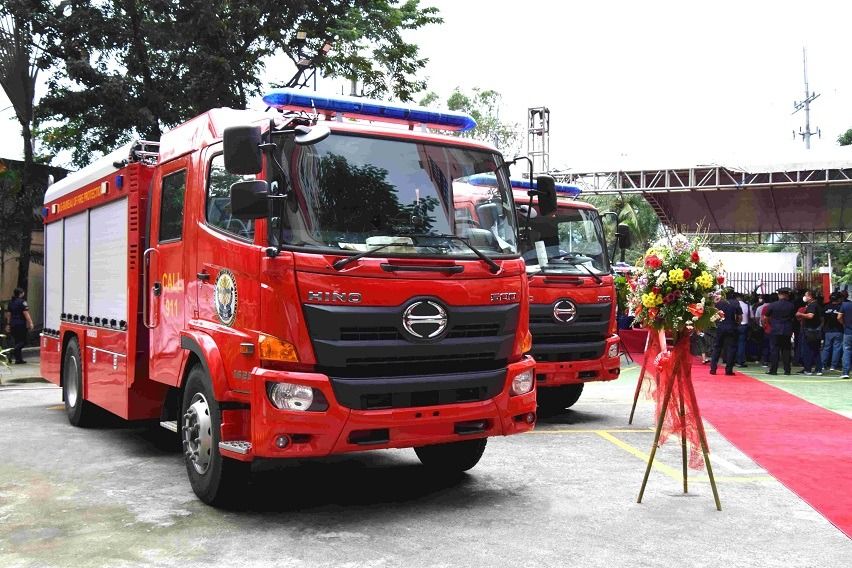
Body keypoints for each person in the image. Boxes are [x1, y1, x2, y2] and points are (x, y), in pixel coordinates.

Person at [763, 287, 796, 375]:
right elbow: (793, 318)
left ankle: (773, 370)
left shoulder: (773, 305)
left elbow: (766, 317)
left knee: (774, 350)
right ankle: (787, 370)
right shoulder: (791, 305)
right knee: (786, 350)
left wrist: (771, 324)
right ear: (787, 295)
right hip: (787, 329)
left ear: (779, 295)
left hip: (775, 329)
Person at [710, 287, 741, 376]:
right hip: (731, 326)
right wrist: (737, 324)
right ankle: (728, 370)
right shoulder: (735, 302)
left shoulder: (719, 302)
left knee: (717, 347)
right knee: (731, 348)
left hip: (720, 326)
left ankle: (713, 369)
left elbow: (714, 315)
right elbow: (739, 316)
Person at [795, 289, 823, 376]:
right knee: (816, 350)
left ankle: (808, 369)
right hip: (816, 330)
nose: (805, 297)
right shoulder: (818, 305)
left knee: (807, 350)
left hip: (809, 331)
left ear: (810, 297)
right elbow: (822, 319)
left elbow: (811, 316)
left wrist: (800, 314)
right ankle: (818, 369)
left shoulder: (812, 305)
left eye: (806, 295)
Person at [4, 288, 34, 364]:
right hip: (21, 324)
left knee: (17, 341)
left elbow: (8, 315)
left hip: (13, 324)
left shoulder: (11, 302)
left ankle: (18, 359)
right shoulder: (22, 302)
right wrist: (30, 323)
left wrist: (8, 324)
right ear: (21, 293)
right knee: (24, 341)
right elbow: (26, 313)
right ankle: (13, 351)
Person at [821, 292, 844, 372]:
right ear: (839, 299)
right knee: (836, 348)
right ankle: (833, 366)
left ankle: (823, 365)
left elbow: (822, 319)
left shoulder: (826, 307)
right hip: (838, 330)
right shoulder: (840, 307)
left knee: (826, 348)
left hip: (828, 330)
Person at [838, 295, 852, 380]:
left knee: (847, 351)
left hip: (848, 331)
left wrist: (844, 324)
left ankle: (845, 372)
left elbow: (839, 317)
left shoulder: (845, 305)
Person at [735, 292, 750, 367]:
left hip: (736, 326)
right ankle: (740, 361)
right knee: (742, 344)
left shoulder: (734, 305)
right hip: (744, 326)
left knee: (733, 343)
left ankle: (732, 360)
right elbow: (752, 316)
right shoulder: (747, 305)